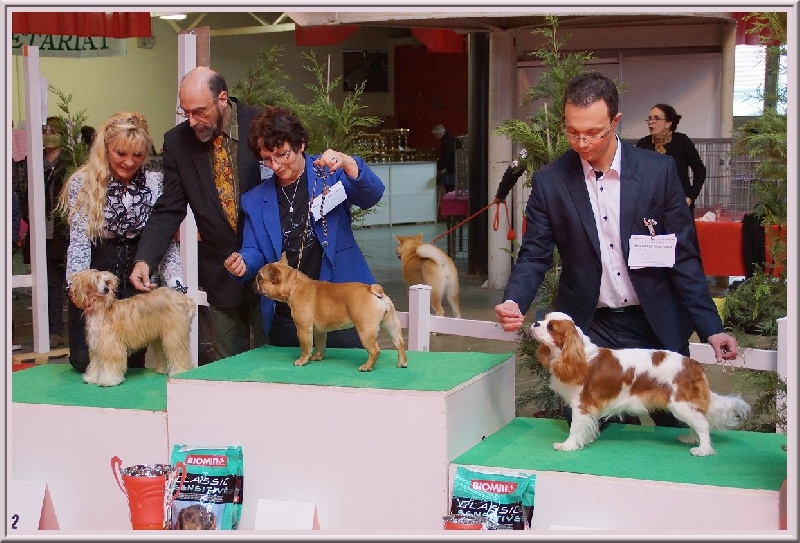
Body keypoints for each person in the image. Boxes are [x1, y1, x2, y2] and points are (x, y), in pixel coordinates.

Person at [494, 71, 738, 428]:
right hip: (591, 328)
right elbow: (534, 254)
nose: (581, 141)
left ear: (616, 121)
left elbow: (682, 256)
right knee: (588, 431)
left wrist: (711, 327)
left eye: (594, 132)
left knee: (678, 431)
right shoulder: (551, 181)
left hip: (654, 324)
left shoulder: (659, 172)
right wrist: (514, 299)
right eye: (573, 131)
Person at [130, 66, 268, 361]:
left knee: (279, 365)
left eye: (200, 111)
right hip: (221, 275)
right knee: (230, 371)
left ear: (222, 99)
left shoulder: (261, 123)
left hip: (273, 270)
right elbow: (170, 207)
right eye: (186, 112)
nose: (192, 121)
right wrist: (146, 258)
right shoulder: (178, 142)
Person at [223, 105, 385, 348]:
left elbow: (372, 195)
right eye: (267, 159)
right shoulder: (255, 200)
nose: (276, 165)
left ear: (300, 145)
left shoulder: (328, 174)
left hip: (341, 303)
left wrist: (350, 163)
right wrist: (243, 263)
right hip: (288, 311)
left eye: (282, 154)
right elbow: (253, 249)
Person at [57, 112, 184, 374]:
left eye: (137, 155)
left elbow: (165, 241)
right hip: (97, 280)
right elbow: (79, 244)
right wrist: (78, 289)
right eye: (121, 153)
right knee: (84, 360)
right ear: (106, 148)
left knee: (131, 361)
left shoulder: (155, 184)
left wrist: (176, 285)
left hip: (138, 276)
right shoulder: (83, 183)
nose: (129, 162)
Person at [636, 104, 706, 216]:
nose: (651, 122)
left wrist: (690, 197)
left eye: (656, 118)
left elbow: (700, 171)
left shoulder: (682, 141)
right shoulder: (643, 144)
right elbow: (637, 174)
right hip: (651, 207)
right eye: (649, 118)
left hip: (679, 205)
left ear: (668, 123)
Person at [38, 117, 70, 347]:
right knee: (47, 281)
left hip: (62, 231)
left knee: (60, 282)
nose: (48, 134)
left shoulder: (68, 161)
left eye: (53, 131)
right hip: (41, 230)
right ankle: (48, 328)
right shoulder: (34, 160)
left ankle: (58, 330)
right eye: (45, 130)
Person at [432, 124, 456, 214]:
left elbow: (445, 156)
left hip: (450, 170)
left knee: (450, 190)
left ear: (440, 133)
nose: (435, 138)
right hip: (453, 168)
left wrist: (440, 167)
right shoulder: (450, 138)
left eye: (435, 136)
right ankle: (452, 210)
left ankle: (450, 210)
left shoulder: (446, 142)